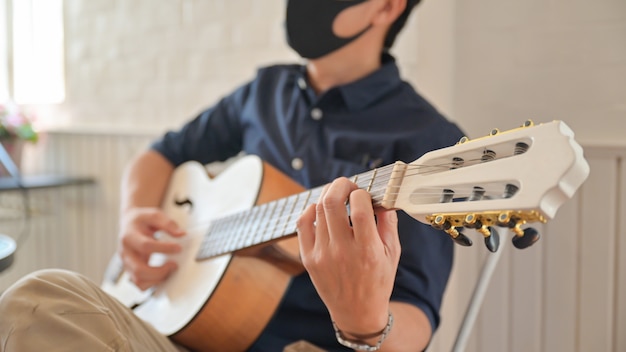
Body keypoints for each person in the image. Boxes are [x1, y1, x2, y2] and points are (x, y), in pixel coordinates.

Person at [0, 0, 464, 351]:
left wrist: (364, 321)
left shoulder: (428, 140)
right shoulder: (264, 92)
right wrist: (135, 218)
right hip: (177, 333)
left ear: (387, 7)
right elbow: (161, 154)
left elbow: (417, 320)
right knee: (38, 300)